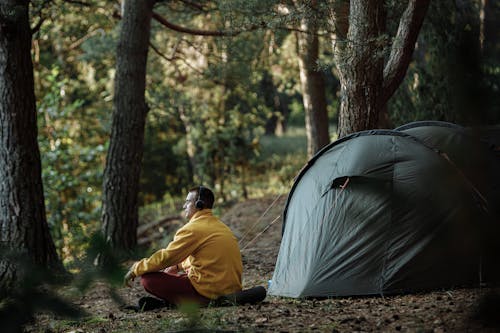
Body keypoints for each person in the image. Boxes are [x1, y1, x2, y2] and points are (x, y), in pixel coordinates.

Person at [123, 186, 243, 308]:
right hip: (231, 289)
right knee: (180, 275)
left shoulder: (193, 229)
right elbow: (204, 258)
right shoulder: (220, 226)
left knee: (148, 279)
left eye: (187, 201)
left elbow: (166, 257)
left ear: (199, 204)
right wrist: (177, 266)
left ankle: (198, 302)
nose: (184, 206)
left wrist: (136, 268)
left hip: (210, 292)